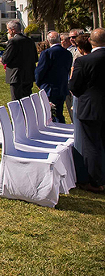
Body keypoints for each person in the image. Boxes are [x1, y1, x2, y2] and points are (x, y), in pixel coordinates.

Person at [69, 28, 105, 194]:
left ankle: (95, 181)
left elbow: (74, 86)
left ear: (91, 41)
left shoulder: (84, 61)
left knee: (91, 145)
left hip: (91, 108)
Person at [35, 31, 74, 123]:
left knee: (51, 113)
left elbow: (40, 71)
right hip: (62, 86)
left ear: (48, 41)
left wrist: (39, 83)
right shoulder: (67, 53)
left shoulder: (47, 53)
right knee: (59, 111)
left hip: (49, 87)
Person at [71, 35, 92, 186]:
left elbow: (74, 85)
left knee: (88, 142)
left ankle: (88, 178)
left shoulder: (82, 61)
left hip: (86, 103)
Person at [2, 19, 37, 101]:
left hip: (16, 75)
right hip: (28, 74)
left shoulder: (13, 41)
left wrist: (2, 59)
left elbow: (6, 58)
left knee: (16, 101)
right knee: (27, 100)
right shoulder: (30, 41)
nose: (8, 32)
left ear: (13, 30)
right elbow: (35, 58)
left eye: (8, 29)